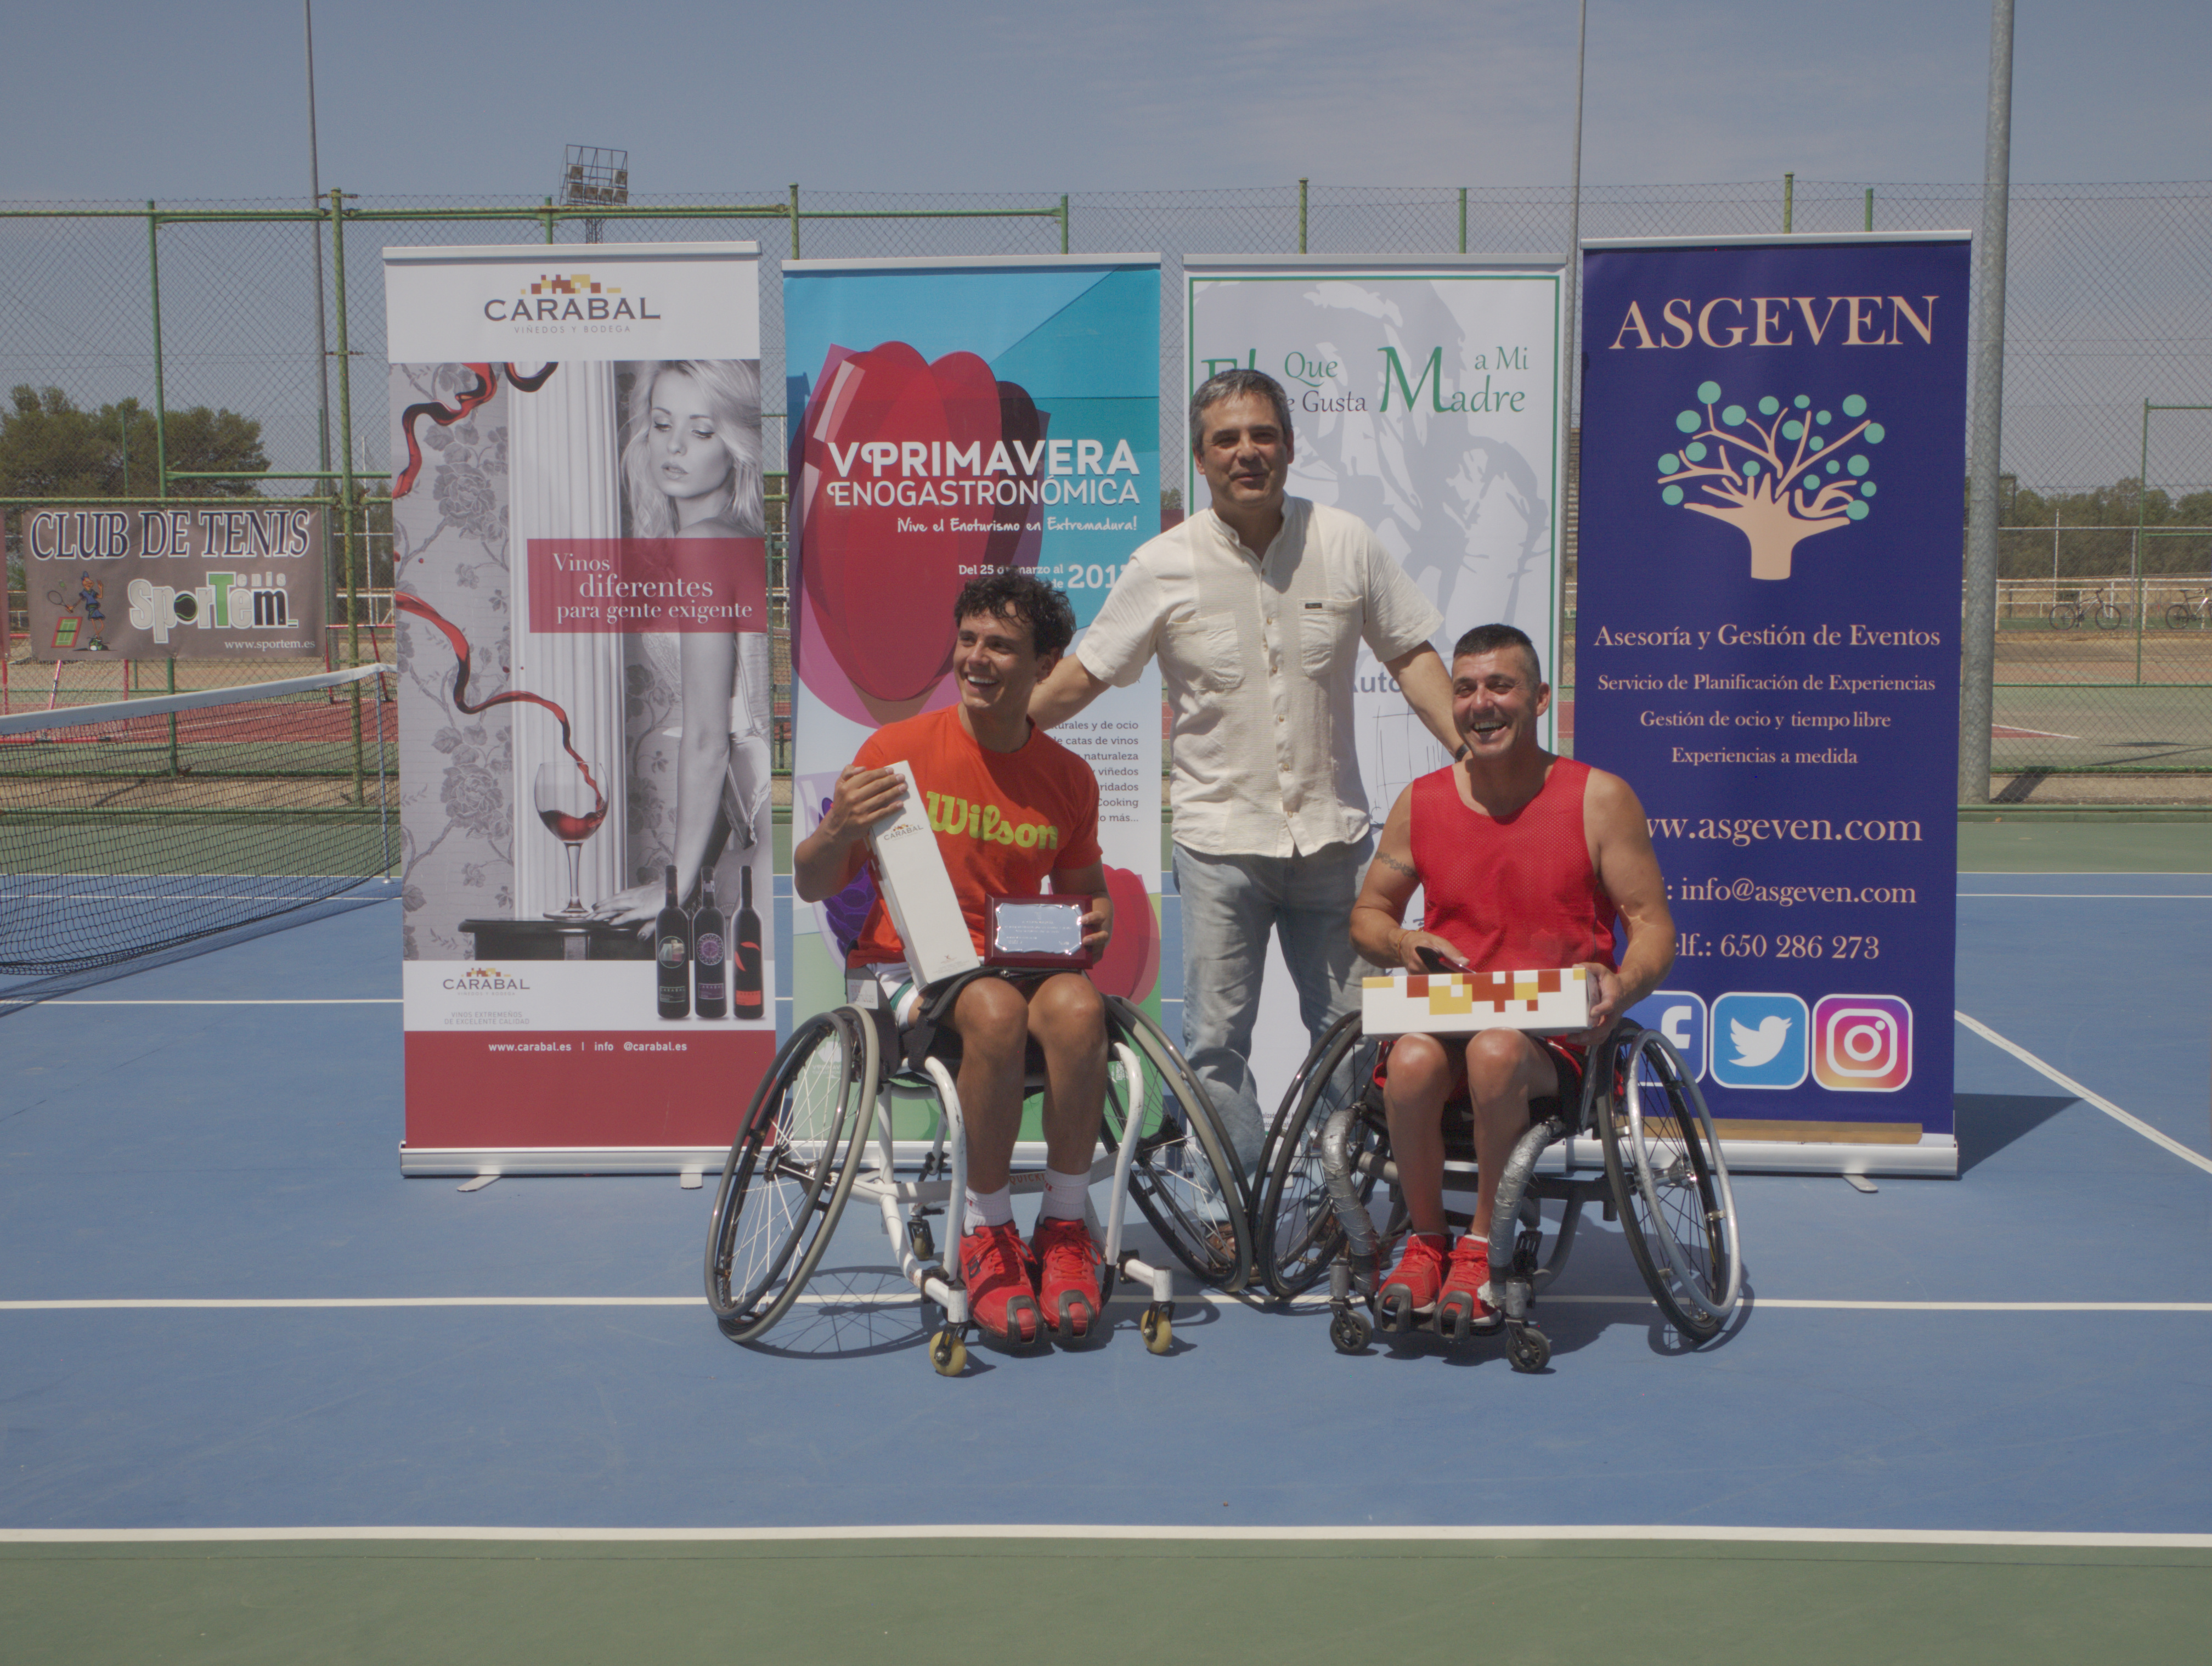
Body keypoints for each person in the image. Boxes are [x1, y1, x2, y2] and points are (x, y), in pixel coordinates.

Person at [1030, 368, 1460, 1170]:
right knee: (1216, 1045)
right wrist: (984, 735)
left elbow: (1410, 655)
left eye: (1263, 435)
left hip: (1334, 842)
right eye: (1226, 440)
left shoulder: (1347, 542)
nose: (1247, 452)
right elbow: (1083, 676)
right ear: (1201, 459)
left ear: (1290, 446)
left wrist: (1470, 752)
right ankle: (1232, 1209)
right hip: (1218, 849)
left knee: (1355, 1040)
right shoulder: (1161, 563)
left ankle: (1341, 1206)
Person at [795, 571, 1114, 1348]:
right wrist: (839, 831)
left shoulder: (1069, 778)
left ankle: (1065, 1226)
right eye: (968, 640)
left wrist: (1095, 923)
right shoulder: (896, 752)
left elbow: (1088, 901)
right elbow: (811, 882)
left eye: (1000, 646)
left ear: (1045, 665)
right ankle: (985, 1228)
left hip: (1014, 963)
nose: (976, 658)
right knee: (994, 1009)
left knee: (1080, 1007)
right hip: (904, 974)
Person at [1348, 623, 1675, 1330]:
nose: (1481, 703)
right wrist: (1402, 941)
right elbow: (1368, 917)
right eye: (1466, 689)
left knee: (1496, 1050)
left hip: (1551, 1042)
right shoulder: (1422, 802)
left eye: (1501, 686)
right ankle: (1427, 1241)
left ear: (1540, 698)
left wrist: (1623, 983)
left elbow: (1653, 928)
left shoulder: (1599, 799)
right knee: (1409, 1061)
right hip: (1447, 1021)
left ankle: (1480, 1248)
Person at [590, 359, 773, 925]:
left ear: (736, 446)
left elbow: (710, 739)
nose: (675, 447)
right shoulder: (735, 538)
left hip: (758, 830)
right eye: (662, 424)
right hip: (745, 830)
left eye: (702, 431)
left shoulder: (704, 544)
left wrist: (673, 886)